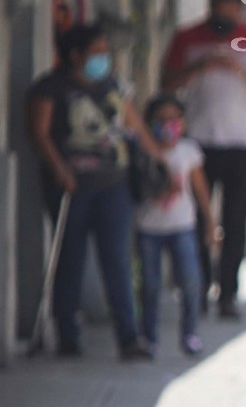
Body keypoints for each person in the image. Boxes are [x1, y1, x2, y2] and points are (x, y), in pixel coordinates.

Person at [26, 23, 164, 359]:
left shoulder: (113, 86)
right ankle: (67, 333)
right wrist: (60, 169)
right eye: (97, 52)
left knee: (117, 260)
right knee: (69, 258)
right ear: (75, 55)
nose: (104, 58)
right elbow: (39, 133)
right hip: (72, 187)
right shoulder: (51, 87)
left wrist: (161, 161)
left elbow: (134, 125)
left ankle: (128, 336)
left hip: (114, 186)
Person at [162, 0, 246, 319]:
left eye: (231, 9)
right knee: (197, 218)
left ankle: (228, 292)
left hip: (241, 143)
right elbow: (166, 84)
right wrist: (200, 67)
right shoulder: (187, 38)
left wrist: (238, 69)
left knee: (236, 220)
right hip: (198, 141)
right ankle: (198, 287)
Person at [136, 94, 215, 356]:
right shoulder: (143, 151)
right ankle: (148, 336)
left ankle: (190, 333)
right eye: (161, 119)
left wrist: (210, 222)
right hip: (148, 228)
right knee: (150, 285)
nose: (168, 125)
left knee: (191, 281)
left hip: (183, 226)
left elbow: (201, 189)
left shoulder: (188, 151)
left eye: (174, 119)